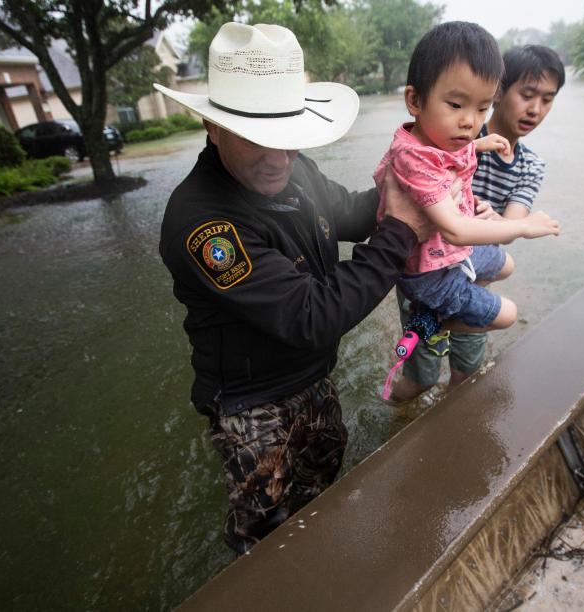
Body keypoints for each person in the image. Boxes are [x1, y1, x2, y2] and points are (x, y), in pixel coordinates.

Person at [153, 22, 434, 555]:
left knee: (321, 489)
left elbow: (348, 212)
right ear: (213, 127)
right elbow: (311, 315)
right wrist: (400, 234)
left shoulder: (291, 167)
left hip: (313, 375)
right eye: (256, 137)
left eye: (287, 136)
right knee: (267, 536)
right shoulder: (204, 224)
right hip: (253, 402)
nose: (278, 157)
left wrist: (413, 181)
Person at [374, 22, 560, 394]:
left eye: (547, 99)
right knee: (423, 376)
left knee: (468, 370)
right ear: (504, 90)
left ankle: (435, 324)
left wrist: (480, 148)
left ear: (489, 98)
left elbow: (454, 161)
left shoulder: (476, 140)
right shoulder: (447, 134)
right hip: (431, 265)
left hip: (463, 257)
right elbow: (455, 218)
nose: (535, 109)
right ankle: (426, 326)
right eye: (527, 94)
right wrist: (520, 227)